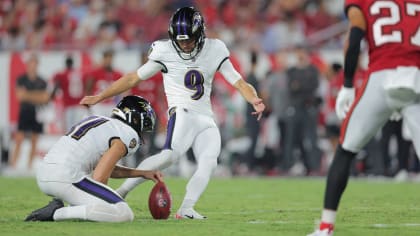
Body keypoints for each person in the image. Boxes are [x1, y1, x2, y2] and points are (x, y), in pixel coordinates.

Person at [80, 7, 265, 219]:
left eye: (189, 39)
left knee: (209, 161)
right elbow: (133, 78)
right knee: (168, 156)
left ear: (200, 34)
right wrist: (100, 96)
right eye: (180, 40)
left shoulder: (215, 49)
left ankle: (186, 208)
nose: (184, 45)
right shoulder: (165, 51)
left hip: (206, 116)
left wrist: (254, 99)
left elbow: (238, 82)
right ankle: (120, 193)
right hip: (183, 112)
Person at [308, 0, 420, 235]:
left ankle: (326, 226)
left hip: (380, 76)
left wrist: (347, 84)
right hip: (415, 76)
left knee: (345, 149)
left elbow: (356, 36)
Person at [25, 95, 163, 222]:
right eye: (144, 125)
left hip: (46, 173)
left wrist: (143, 173)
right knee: (123, 213)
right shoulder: (127, 133)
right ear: (134, 119)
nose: (143, 132)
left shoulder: (102, 121)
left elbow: (105, 166)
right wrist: (103, 202)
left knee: (97, 208)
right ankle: (56, 213)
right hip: (68, 177)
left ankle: (63, 208)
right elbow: (99, 177)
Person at [9, 54, 51, 170]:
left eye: (34, 63)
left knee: (34, 140)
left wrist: (28, 95)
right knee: (19, 138)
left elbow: (45, 98)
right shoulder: (21, 79)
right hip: (25, 112)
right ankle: (13, 165)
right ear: (27, 65)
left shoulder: (42, 81)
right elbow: (20, 97)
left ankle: (29, 166)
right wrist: (37, 96)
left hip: (37, 113)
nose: (32, 66)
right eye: (30, 63)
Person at [52, 55, 87, 132]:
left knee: (69, 131)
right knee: (79, 130)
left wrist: (51, 96)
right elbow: (86, 87)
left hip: (68, 106)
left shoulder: (62, 75)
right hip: (80, 105)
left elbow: (56, 86)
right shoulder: (80, 74)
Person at [84, 49, 123, 117]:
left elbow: (122, 90)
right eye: (106, 58)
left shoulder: (117, 74)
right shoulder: (95, 72)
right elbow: (88, 88)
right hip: (98, 104)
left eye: (110, 58)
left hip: (111, 104)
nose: (108, 61)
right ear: (103, 59)